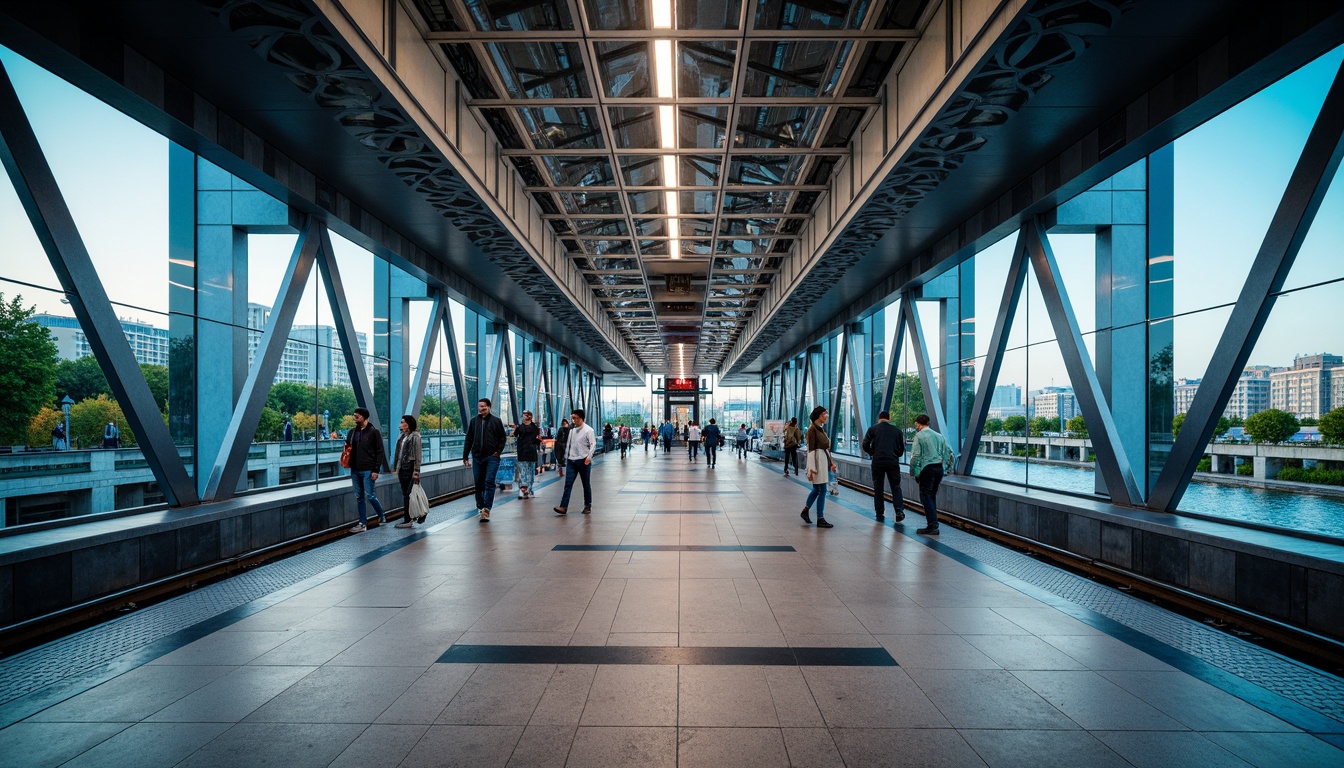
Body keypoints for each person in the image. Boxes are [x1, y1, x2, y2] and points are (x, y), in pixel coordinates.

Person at [462, 398, 507, 522]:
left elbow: (503, 438)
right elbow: (468, 440)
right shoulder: (474, 422)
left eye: (483, 406)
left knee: (489, 481)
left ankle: (487, 508)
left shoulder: (496, 421)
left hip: (492, 457)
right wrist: (465, 456)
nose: (481, 409)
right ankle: (480, 507)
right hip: (477, 457)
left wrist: (498, 451)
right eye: (479, 407)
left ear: (488, 407)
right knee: (478, 483)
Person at [346, 407, 390, 532]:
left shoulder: (373, 432)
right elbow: (347, 448)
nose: (355, 419)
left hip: (368, 469)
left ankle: (381, 515)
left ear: (365, 417)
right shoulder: (352, 432)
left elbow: (379, 452)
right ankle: (362, 523)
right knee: (359, 496)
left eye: (357, 416)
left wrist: (376, 470)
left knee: (370, 495)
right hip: (355, 469)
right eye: (354, 416)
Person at [910, 414, 955, 535]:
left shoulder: (919, 436)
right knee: (932, 496)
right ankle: (933, 524)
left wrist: (914, 472)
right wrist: (949, 468)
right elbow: (950, 453)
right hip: (939, 469)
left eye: (916, 425)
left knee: (925, 496)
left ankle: (932, 526)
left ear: (918, 424)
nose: (916, 427)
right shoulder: (939, 436)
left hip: (927, 469)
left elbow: (915, 456)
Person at [862, 410, 906, 523]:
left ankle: (879, 512)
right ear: (889, 418)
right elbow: (901, 449)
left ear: (879, 419)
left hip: (878, 462)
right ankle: (899, 511)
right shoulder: (897, 431)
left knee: (878, 487)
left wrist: (872, 453)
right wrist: (895, 455)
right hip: (893, 462)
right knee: (896, 487)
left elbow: (865, 444)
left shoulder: (873, 429)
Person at [555, 408, 595, 515]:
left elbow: (593, 444)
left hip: (583, 460)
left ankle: (587, 505)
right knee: (568, 484)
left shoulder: (588, 430)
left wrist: (589, 457)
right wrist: (565, 456)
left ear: (582, 418)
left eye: (576, 418)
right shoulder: (572, 431)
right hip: (572, 460)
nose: (574, 420)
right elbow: (569, 444)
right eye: (573, 418)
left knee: (585, 484)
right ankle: (563, 506)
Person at [802, 406, 836, 529]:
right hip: (817, 463)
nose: (826, 416)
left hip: (822, 461)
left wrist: (831, 463)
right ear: (818, 416)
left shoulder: (820, 429)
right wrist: (812, 468)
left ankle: (805, 511)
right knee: (822, 490)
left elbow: (826, 448)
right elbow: (811, 450)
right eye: (824, 414)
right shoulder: (812, 430)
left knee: (817, 490)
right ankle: (820, 518)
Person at [393, 414, 424, 528]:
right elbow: (399, 454)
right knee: (407, 494)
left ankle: (408, 519)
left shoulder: (415, 436)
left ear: (408, 424)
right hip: (402, 469)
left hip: (410, 469)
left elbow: (417, 455)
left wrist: (416, 471)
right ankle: (412, 516)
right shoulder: (402, 436)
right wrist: (396, 468)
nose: (400, 424)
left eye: (402, 422)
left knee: (408, 495)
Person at [514, 410, 541, 499]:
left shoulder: (521, 428)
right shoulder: (535, 428)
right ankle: (527, 490)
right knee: (528, 472)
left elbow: (515, 435)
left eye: (526, 415)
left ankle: (524, 490)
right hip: (530, 452)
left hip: (524, 452)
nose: (525, 417)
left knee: (524, 472)